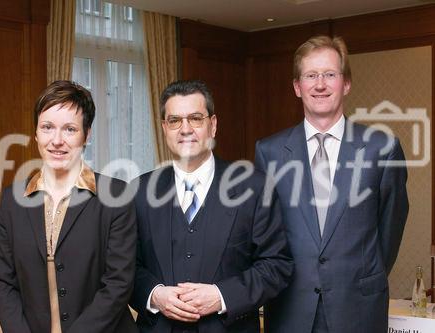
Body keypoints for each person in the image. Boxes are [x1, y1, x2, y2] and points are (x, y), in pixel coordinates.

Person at [255, 35, 409, 333]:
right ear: (297, 87)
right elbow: (266, 235)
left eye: (330, 74)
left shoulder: (383, 149)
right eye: (311, 75)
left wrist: (357, 275)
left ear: (346, 83)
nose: (320, 84)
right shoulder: (269, 152)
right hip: (289, 310)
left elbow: (389, 233)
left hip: (358, 309)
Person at [131, 79, 293, 333]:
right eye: (174, 120)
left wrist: (222, 296)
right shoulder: (139, 191)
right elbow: (126, 267)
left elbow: (276, 265)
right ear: (164, 128)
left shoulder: (254, 188)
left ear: (213, 125)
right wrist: (154, 295)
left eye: (195, 118)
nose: (185, 129)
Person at [0, 80, 137, 333]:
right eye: (47, 127)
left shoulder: (117, 196)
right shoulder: (12, 199)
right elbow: (3, 282)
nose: (56, 140)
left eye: (69, 129)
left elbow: (118, 284)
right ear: (36, 133)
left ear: (86, 134)